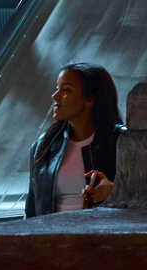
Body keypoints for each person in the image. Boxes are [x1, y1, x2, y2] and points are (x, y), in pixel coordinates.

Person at [25, 63, 123, 217]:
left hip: (100, 236)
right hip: (50, 237)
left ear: (90, 99)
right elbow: (31, 208)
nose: (55, 96)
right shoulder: (44, 145)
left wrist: (115, 191)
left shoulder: (122, 143)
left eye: (66, 91)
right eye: (57, 88)